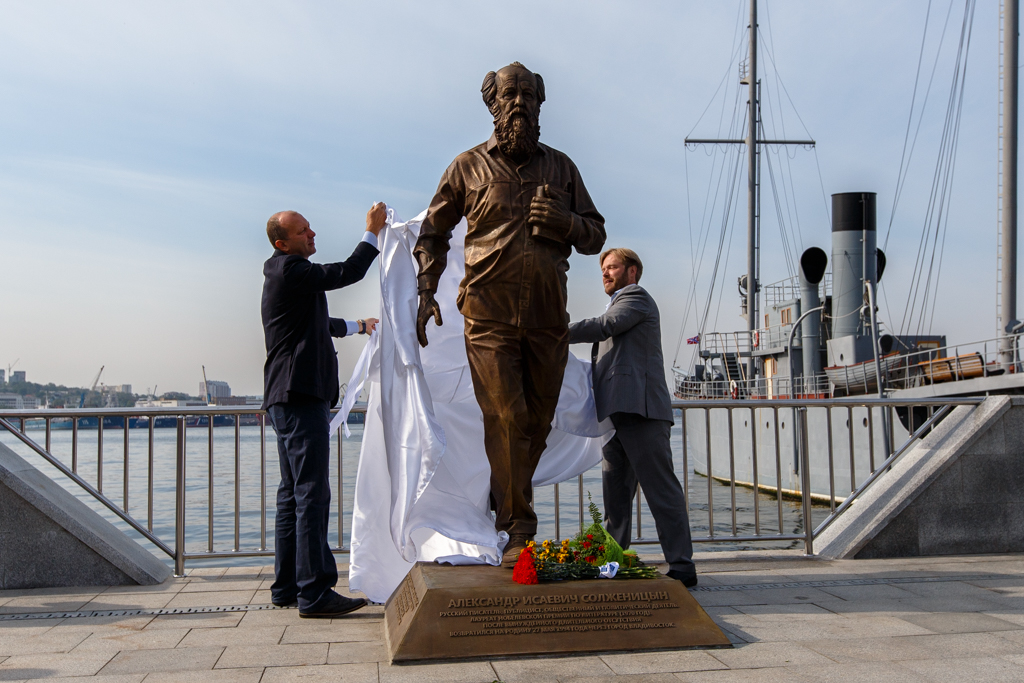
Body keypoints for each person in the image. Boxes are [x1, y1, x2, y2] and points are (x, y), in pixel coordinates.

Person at [413, 61, 606, 566]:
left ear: (540, 104)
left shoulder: (562, 168)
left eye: (528, 94)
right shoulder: (467, 166)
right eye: (509, 94)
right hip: (488, 314)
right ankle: (517, 528)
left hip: (548, 315)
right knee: (506, 415)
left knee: (536, 423)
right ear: (492, 104)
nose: (519, 102)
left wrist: (567, 222)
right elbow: (431, 233)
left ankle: (505, 494)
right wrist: (426, 288)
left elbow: (596, 235)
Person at [261, 204, 386, 617]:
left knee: (292, 496)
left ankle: (288, 588)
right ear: (283, 243)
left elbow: (319, 323)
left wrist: (358, 326)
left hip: (285, 397)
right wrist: (371, 233)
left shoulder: (288, 278)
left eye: (310, 228)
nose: (312, 234)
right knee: (311, 494)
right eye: (302, 232)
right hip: (300, 396)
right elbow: (347, 272)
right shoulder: (290, 270)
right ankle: (315, 593)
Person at [568, 248, 697, 587]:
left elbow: (605, 326)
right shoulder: (619, 302)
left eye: (612, 267)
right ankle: (610, 563)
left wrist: (553, 331)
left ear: (632, 272)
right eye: (603, 270)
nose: (606, 274)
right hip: (619, 415)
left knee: (661, 490)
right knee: (616, 495)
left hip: (641, 411)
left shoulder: (635, 298)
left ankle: (682, 565)